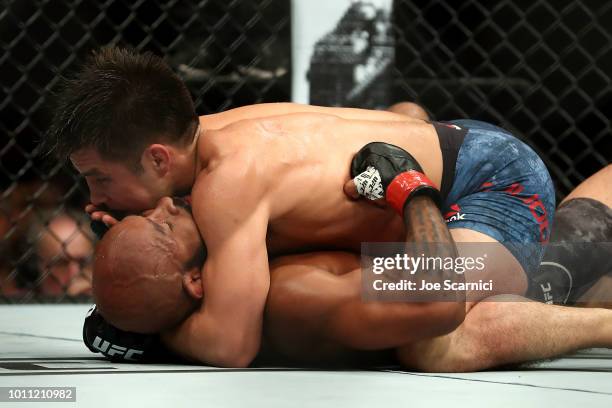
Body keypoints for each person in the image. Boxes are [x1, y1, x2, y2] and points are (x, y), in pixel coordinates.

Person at [47, 46, 554, 367]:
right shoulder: (207, 134)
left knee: (429, 337)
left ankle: (581, 299)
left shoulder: (225, 185)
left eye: (100, 178)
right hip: (455, 139)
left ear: (158, 158)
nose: (94, 199)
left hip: (497, 188)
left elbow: (231, 345)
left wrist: (144, 332)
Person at [84, 161, 612, 370]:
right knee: (435, 347)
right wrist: (412, 191)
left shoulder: (220, 268)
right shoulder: (290, 296)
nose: (165, 205)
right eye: (156, 225)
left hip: (444, 224)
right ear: (194, 282)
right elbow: (438, 292)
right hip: (445, 264)